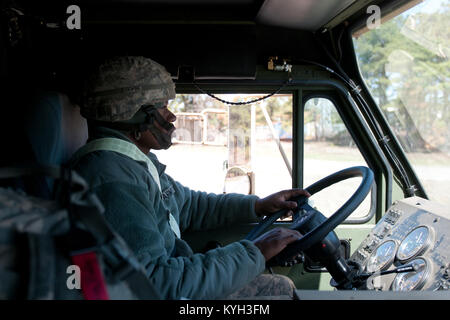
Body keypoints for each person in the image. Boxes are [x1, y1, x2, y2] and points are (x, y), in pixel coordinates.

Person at [70, 56, 310, 299]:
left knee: (280, 288)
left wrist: (257, 205)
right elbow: (153, 283)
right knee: (281, 293)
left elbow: (190, 206)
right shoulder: (111, 178)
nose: (171, 117)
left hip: (175, 279)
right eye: (162, 107)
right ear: (132, 115)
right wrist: (255, 252)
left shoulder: (134, 163)